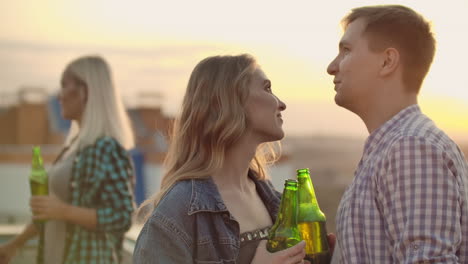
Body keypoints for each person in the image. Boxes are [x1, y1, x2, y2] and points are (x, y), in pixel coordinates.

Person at [133, 54, 309, 264]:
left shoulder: (275, 201)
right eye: (267, 88)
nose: (281, 104)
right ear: (229, 102)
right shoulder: (177, 215)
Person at [326, 5, 468, 263]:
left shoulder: (411, 147)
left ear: (387, 61)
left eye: (346, 51)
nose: (331, 67)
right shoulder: (390, 147)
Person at [0, 56, 135, 264]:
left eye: (64, 85)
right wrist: (15, 245)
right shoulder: (73, 148)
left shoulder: (106, 148)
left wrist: (64, 211)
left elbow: (122, 216)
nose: (59, 96)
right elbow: (51, 213)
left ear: (85, 92)